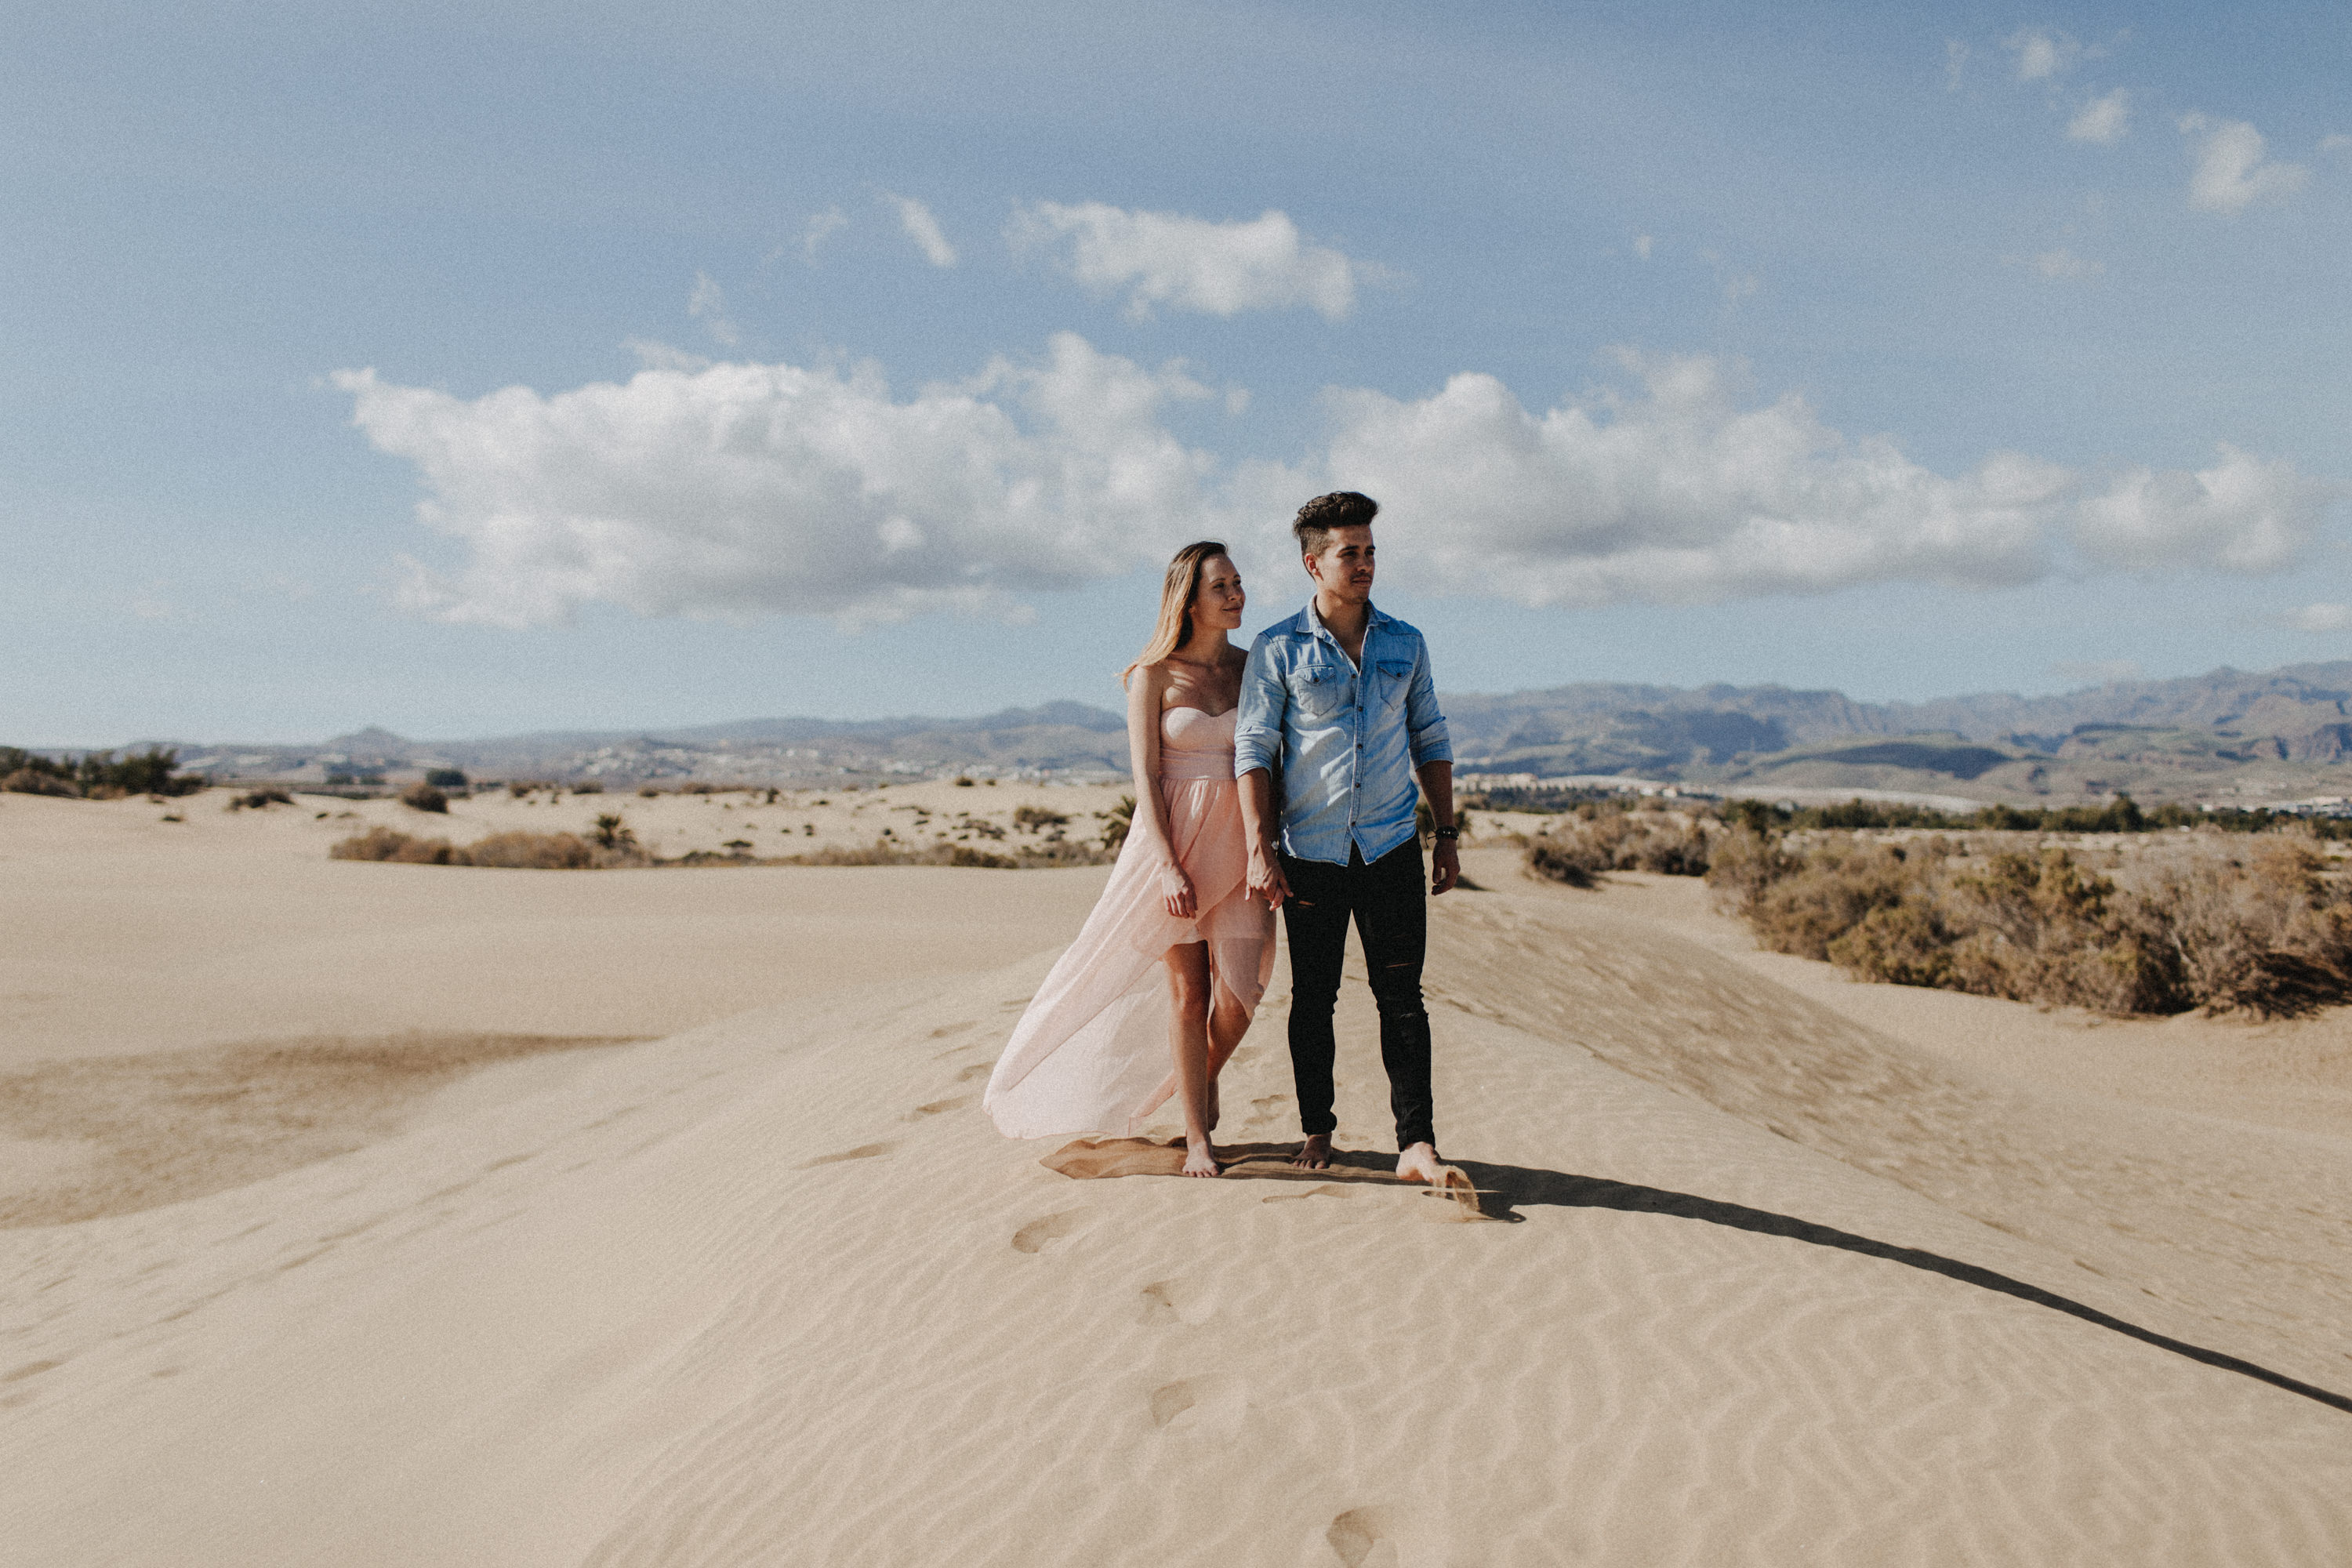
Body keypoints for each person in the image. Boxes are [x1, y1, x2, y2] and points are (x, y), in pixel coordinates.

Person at [983, 542, 1276, 1177]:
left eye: (1238, 583)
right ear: (1189, 600)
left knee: (1243, 992)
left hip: (1244, 843)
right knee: (1189, 993)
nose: (1236, 595)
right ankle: (1198, 1138)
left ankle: (1198, 1076)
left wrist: (1268, 842)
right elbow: (1145, 776)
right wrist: (1168, 864)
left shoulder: (1256, 668)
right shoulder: (1154, 675)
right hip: (1172, 845)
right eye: (1221, 586)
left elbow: (1273, 759)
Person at [1234, 492, 1457, 1185]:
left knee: (1402, 998)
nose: (1363, 565)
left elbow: (1431, 737)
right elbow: (1254, 749)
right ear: (1313, 563)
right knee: (1314, 1000)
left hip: (1391, 846)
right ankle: (1317, 1130)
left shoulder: (1405, 641)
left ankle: (1416, 1142)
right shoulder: (1277, 648)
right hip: (1313, 854)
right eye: (1348, 553)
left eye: (1369, 552)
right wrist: (1259, 847)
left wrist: (1445, 834)